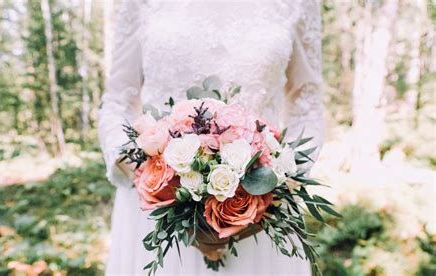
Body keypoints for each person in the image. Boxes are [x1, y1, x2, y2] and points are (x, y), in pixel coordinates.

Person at [98, 0, 324, 275]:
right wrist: (151, 180)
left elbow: (307, 106)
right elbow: (117, 102)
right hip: (158, 214)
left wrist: (276, 186)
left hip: (263, 216)